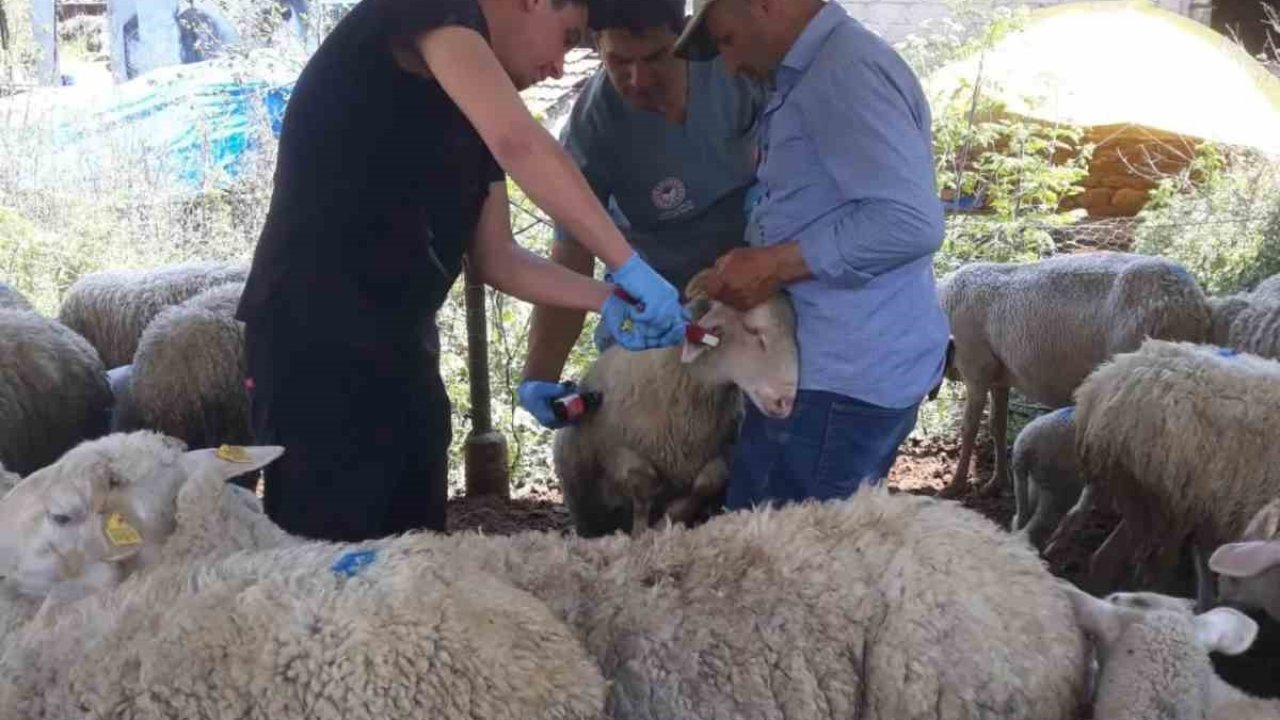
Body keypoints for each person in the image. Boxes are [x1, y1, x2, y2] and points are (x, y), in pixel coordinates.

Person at [235, 0, 690, 542]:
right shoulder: (430, 11)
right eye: (567, 39)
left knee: (416, 554)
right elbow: (520, 141)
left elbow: (499, 259)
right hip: (315, 346)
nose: (558, 68)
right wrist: (629, 262)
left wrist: (610, 297)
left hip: (401, 349)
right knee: (329, 555)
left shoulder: (472, 109)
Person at [672, 0, 951, 507]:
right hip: (837, 376)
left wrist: (774, 264)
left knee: (779, 568)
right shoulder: (822, 69)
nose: (729, 65)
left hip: (834, 388)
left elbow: (909, 222)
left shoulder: (843, 74)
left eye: (728, 40)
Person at [516, 0, 765, 427]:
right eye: (619, 61)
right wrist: (539, 375)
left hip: (752, 291)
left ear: (686, 35)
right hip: (655, 320)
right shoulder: (592, 128)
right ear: (597, 48)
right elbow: (572, 251)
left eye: (655, 58)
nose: (638, 79)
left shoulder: (737, 73)